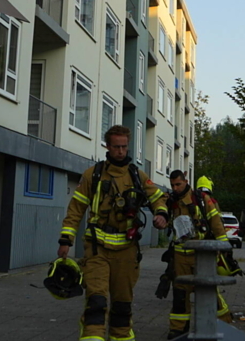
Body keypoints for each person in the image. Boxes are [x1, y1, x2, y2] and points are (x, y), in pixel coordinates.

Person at [58, 125, 169, 341]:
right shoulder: (93, 175)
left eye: (124, 147)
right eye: (116, 147)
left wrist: (161, 214)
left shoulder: (137, 175)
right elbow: (76, 209)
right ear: (107, 146)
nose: (120, 151)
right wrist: (66, 239)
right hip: (97, 249)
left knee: (122, 303)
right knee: (96, 300)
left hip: (126, 250)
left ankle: (121, 336)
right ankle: (92, 336)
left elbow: (158, 197)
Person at [164, 170, 232, 339]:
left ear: (186, 182)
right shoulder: (171, 201)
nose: (175, 188)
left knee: (209, 292)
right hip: (180, 256)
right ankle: (178, 329)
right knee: (180, 294)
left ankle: (224, 323)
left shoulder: (201, 199)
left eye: (178, 184)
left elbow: (216, 223)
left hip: (201, 255)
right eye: (172, 185)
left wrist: (224, 249)